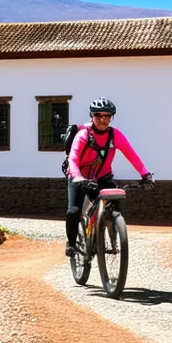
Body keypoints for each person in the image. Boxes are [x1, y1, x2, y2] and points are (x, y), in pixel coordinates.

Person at [65, 97, 155, 256]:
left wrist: (145, 174)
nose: (103, 119)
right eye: (99, 115)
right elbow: (73, 159)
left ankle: (114, 237)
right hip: (80, 178)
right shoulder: (83, 136)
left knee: (114, 206)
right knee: (74, 211)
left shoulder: (115, 135)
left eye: (107, 116)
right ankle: (71, 243)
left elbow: (132, 155)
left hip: (102, 178)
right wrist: (78, 178)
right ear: (92, 116)